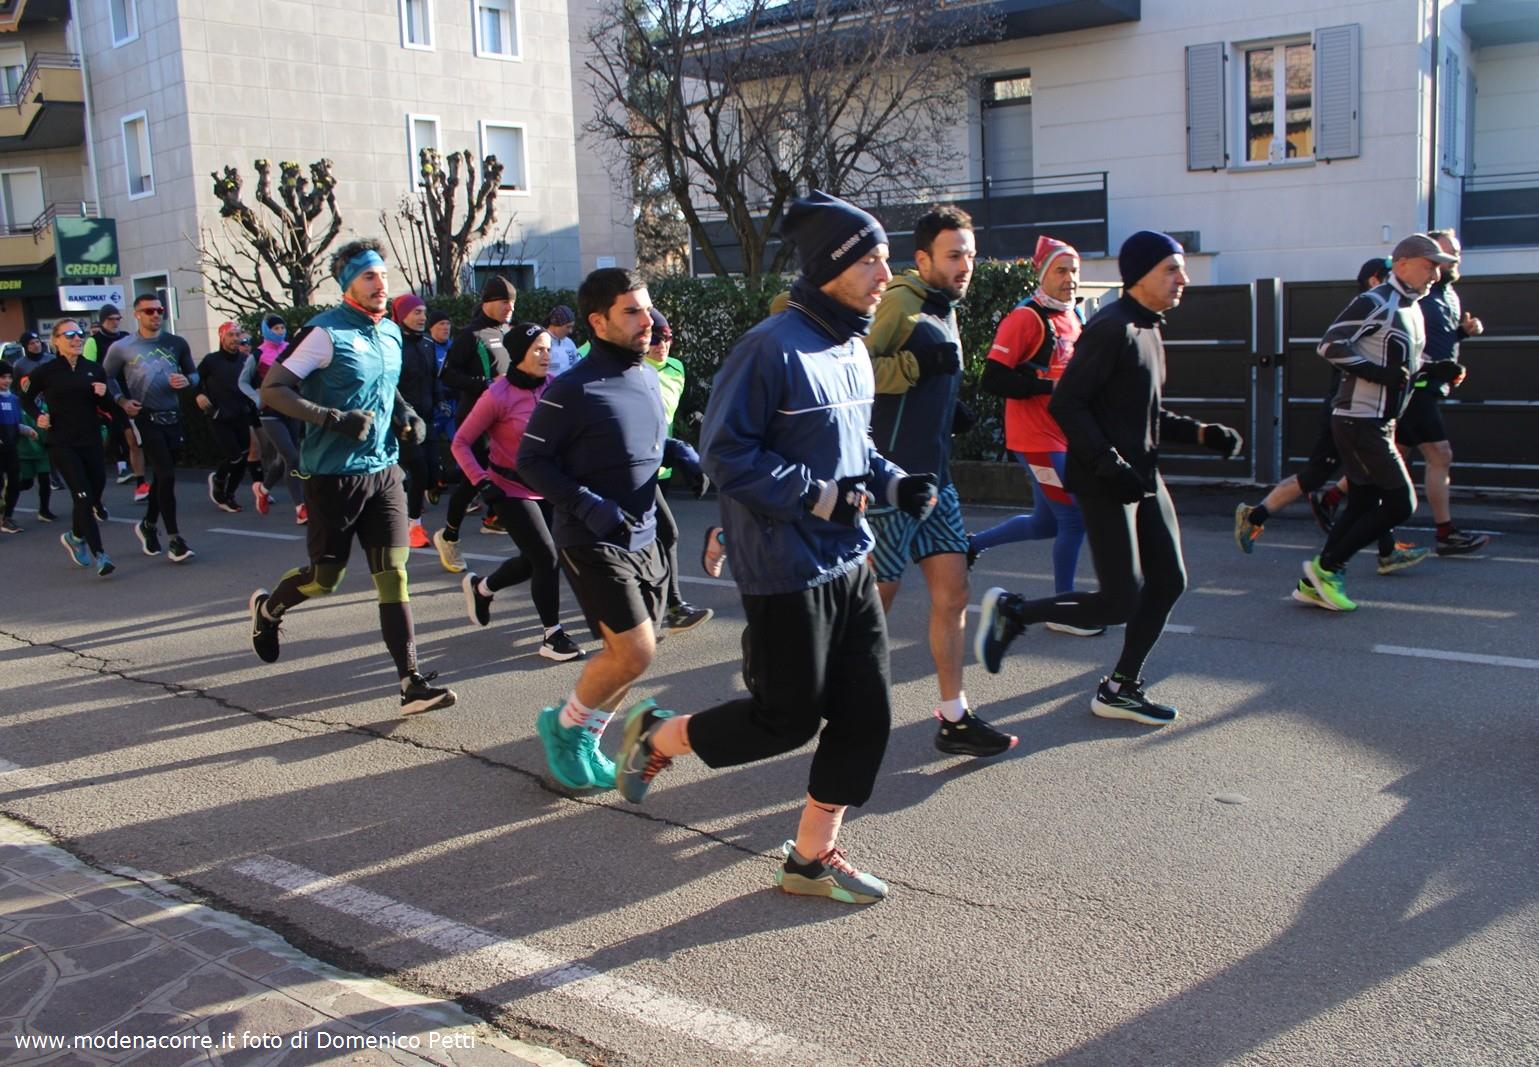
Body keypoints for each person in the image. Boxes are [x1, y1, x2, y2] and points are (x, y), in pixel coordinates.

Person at [610, 192, 940, 905]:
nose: (886, 274)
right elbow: (724, 455)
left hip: (847, 557)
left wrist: (895, 482)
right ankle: (658, 735)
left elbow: (857, 449)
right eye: (871, 260)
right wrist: (819, 496)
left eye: (886, 259)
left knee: (866, 714)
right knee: (783, 721)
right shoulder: (769, 347)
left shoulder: (851, 346)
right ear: (830, 266)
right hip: (784, 566)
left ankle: (811, 858)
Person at [975, 231, 1243, 725]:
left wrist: (1202, 434)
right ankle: (1015, 612)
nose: (1182, 279)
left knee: (1169, 582)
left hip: (1142, 476)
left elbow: (1145, 415)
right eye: (1171, 269)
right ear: (1140, 274)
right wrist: (1107, 463)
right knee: (1120, 600)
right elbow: (1068, 403)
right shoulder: (1110, 328)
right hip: (1104, 481)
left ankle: (1120, 687)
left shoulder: (1148, 327)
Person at [516, 267, 705, 792]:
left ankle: (585, 735)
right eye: (632, 311)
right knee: (635, 650)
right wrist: (586, 503)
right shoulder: (570, 389)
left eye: (647, 308)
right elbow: (530, 461)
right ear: (598, 322)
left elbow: (634, 439)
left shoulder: (645, 375)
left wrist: (678, 453)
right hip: (592, 537)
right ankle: (564, 729)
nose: (648, 320)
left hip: (643, 534)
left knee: (633, 656)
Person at [246, 238, 455, 714]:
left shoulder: (391, 332)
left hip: (384, 472)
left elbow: (387, 387)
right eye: (368, 276)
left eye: (383, 275)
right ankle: (268, 609)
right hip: (333, 476)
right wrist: (332, 419)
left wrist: (406, 415)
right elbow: (273, 390)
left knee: (394, 574)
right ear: (347, 285)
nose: (380, 284)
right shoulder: (324, 333)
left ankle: (410, 682)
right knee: (325, 579)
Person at [861, 204, 1014, 757]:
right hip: (890, 482)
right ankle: (843, 707)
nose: (965, 265)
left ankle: (954, 717)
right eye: (953, 256)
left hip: (937, 481)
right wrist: (914, 369)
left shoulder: (944, 306)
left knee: (953, 595)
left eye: (969, 255)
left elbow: (934, 370)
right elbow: (850, 369)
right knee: (874, 606)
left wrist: (950, 408)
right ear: (923, 258)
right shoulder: (899, 301)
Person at [1290, 233, 1457, 612]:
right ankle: (1327, 569)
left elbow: (1401, 364)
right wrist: (1377, 374)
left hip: (1380, 421)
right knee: (1401, 503)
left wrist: (1435, 369)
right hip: (1358, 419)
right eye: (1429, 265)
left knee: (1364, 501)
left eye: (1438, 267)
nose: (1435, 274)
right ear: (1402, 264)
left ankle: (1313, 583)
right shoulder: (1376, 300)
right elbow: (1330, 345)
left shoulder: (1412, 307)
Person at [1234, 258, 1428, 576]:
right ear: (1373, 280)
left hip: (1367, 416)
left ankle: (1366, 555)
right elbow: (1331, 347)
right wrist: (1380, 375)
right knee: (1318, 477)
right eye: (1386, 275)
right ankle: (1256, 516)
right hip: (1348, 413)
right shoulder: (1370, 307)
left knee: (1369, 491)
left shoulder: (1394, 310)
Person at [969, 234, 1105, 632]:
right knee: (1074, 518)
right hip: (1036, 440)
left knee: (1047, 523)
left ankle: (970, 545)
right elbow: (993, 379)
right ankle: (1063, 610)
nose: (1070, 279)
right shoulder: (1026, 318)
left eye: (1074, 270)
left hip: (1064, 437)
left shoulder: (1073, 316)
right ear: (1042, 274)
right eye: (1061, 271)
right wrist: (1049, 387)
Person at [454, 322, 585, 661]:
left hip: (549, 486)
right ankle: (552, 635)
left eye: (548, 349)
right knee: (546, 557)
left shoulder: (556, 387)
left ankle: (482, 587)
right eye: (538, 349)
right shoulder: (497, 395)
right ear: (519, 354)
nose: (546, 355)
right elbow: (461, 442)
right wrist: (481, 481)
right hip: (508, 489)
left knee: (534, 560)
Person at [1402, 228, 1489, 556]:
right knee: (1440, 455)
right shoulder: (1419, 291)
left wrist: (1463, 332)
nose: (1454, 259)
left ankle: (1334, 498)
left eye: (1457, 253)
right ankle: (1445, 533)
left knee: (1392, 455)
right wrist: (1431, 368)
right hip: (1416, 386)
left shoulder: (1449, 294)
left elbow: (1440, 338)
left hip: (1434, 386)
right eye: (1448, 252)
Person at [17, 319, 118, 575]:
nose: (77, 339)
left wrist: (104, 394)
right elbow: (25, 399)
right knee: (81, 496)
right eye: (70, 334)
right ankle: (101, 554)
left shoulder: (94, 369)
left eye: (79, 334)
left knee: (93, 494)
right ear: (56, 341)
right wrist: (39, 416)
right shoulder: (47, 371)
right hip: (61, 443)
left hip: (91, 440)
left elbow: (108, 406)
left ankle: (75, 536)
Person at [103, 294, 198, 563]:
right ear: (137, 315)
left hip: (174, 416)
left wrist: (187, 381)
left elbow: (194, 374)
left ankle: (148, 523)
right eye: (149, 311)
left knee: (164, 477)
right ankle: (175, 540)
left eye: (159, 310)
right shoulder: (122, 347)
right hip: (146, 417)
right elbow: (106, 377)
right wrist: (122, 401)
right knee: (165, 475)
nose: (156, 315)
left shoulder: (176, 343)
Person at [434, 276, 517, 568]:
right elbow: (447, 374)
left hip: (505, 418)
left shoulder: (509, 332)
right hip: (475, 417)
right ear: (487, 303)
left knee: (511, 473)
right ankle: (449, 536)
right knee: (475, 479)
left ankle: (497, 520)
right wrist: (484, 383)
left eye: (513, 302)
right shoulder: (471, 335)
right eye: (504, 301)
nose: (510, 307)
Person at [643, 307, 713, 633]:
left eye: (667, 338)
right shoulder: (632, 371)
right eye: (655, 339)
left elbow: (670, 418)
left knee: (657, 536)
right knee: (664, 534)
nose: (662, 345)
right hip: (631, 470)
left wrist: (685, 457)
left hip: (662, 468)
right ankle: (672, 606)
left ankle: (662, 605)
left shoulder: (677, 369)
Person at [241, 313, 307, 526]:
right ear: (266, 330)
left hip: (292, 408)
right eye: (275, 328)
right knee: (293, 458)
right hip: (269, 412)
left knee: (284, 458)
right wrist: (257, 398)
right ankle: (300, 508)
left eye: (282, 328)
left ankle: (263, 489)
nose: (280, 332)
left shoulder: (291, 348)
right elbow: (243, 381)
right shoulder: (258, 354)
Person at [391, 293, 441, 549]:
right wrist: (401, 415)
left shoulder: (428, 344)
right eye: (416, 313)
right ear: (401, 316)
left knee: (432, 473)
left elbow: (433, 379)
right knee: (417, 468)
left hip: (428, 417)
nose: (422, 317)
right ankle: (413, 526)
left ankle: (404, 516)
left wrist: (439, 402)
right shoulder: (392, 344)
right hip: (402, 420)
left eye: (424, 312)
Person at [195, 322, 257, 514]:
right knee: (234, 456)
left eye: (238, 335)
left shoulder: (246, 360)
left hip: (241, 414)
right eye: (231, 335)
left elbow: (255, 384)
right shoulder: (211, 360)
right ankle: (219, 480)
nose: (235, 339)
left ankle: (229, 495)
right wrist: (199, 394)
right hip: (219, 416)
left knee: (243, 457)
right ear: (222, 337)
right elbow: (195, 379)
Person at [84, 307, 144, 495]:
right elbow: (89, 368)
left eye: (118, 318)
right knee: (127, 435)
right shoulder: (94, 341)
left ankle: (138, 478)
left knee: (136, 437)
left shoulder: (126, 337)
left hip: (132, 390)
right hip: (108, 394)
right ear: (103, 320)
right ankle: (129, 475)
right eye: (111, 319)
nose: (115, 322)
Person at [0, 360, 35, 534]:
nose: (7, 381)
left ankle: (7, 517)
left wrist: (27, 430)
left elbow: (15, 424)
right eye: (2, 377)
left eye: (9, 377)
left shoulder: (14, 399)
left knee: (14, 481)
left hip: (11, 447)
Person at [545, 305, 580, 377]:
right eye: (568, 327)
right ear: (556, 324)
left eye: (572, 327)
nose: (570, 331)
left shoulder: (569, 343)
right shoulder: (541, 342)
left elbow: (578, 365)